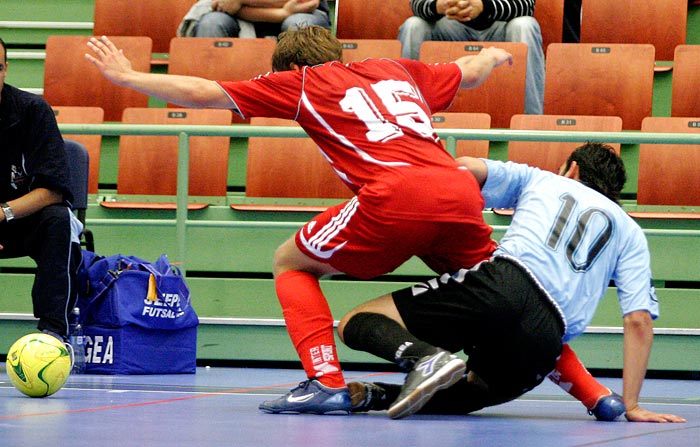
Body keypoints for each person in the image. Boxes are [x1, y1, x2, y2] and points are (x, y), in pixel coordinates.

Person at [86, 27, 618, 418]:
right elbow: (472, 71)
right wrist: (498, 54)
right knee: (510, 294)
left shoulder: (300, 83)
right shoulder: (398, 68)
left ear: (289, 66)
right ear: (340, 52)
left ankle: (327, 381)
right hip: (457, 191)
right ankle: (597, 395)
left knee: (291, 263)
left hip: (396, 194)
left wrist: (126, 75)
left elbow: (205, 94)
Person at [338, 143, 687, 423]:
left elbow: (467, 168)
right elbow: (638, 320)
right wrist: (633, 404)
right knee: (475, 392)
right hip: (547, 337)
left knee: (358, 320)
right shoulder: (631, 233)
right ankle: (378, 395)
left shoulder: (542, 179)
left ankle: (425, 359)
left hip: (505, 284)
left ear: (573, 169)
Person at [0, 37, 83, 344]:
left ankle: (53, 333)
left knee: (59, 221)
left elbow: (53, 191)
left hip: (24, 217)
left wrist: (3, 213)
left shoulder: (32, 111)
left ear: (5, 69)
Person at [399, 0, 544, 115]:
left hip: (501, 27)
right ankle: (407, 115)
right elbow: (417, 4)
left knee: (525, 25)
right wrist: (439, 5)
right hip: (449, 25)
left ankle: (532, 120)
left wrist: (483, 6)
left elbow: (526, 6)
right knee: (413, 26)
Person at [192, 0, 331, 38]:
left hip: (305, 14)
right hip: (238, 18)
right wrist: (283, 12)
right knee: (211, 23)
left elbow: (307, 2)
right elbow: (224, 4)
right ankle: (209, 101)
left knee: (299, 24)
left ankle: (301, 97)